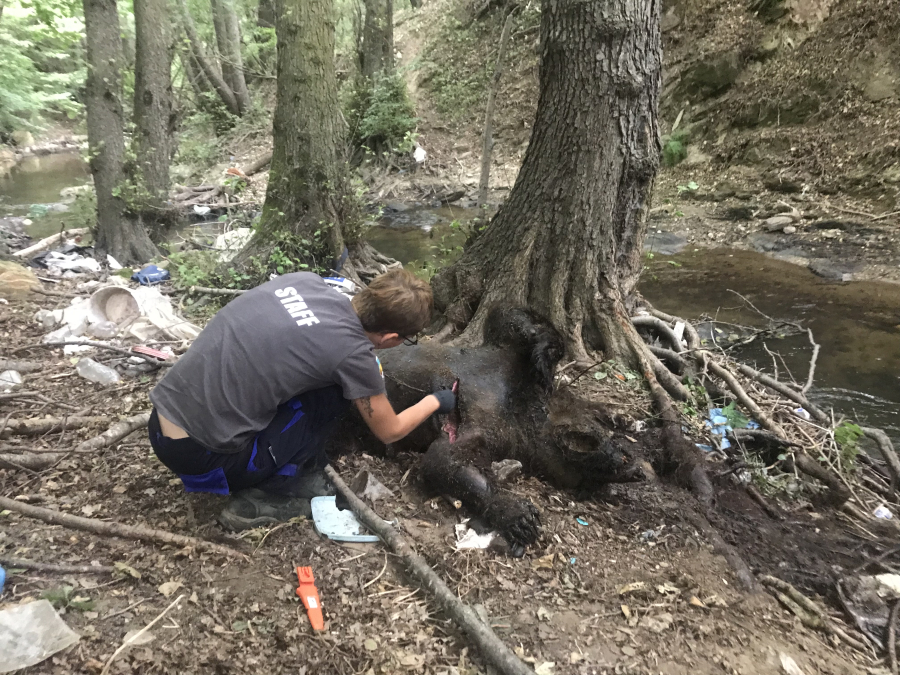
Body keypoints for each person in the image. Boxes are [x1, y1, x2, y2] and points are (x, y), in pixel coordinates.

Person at [147, 269, 456, 530]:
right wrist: (436, 401)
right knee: (333, 395)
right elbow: (390, 430)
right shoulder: (353, 355)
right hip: (201, 459)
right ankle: (271, 494)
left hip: (161, 419)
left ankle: (278, 465)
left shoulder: (305, 281)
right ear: (390, 338)